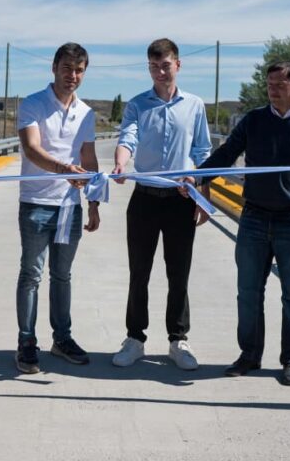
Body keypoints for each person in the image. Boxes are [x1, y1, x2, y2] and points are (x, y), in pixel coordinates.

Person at [198, 61, 290, 386]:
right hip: (254, 220)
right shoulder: (254, 121)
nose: (272, 90)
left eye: (279, 85)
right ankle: (249, 355)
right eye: (269, 85)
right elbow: (227, 153)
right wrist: (200, 174)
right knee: (248, 292)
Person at [111, 38, 212, 370]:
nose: (159, 72)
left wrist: (200, 189)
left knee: (178, 274)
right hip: (144, 200)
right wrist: (121, 163)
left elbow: (202, 152)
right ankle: (135, 339)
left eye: (165, 65)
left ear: (178, 65)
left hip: (180, 200)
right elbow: (128, 137)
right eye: (153, 66)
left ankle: (177, 340)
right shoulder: (138, 104)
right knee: (139, 272)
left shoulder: (195, 105)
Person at [14, 42, 100, 374]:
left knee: (62, 276)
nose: (73, 76)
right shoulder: (33, 104)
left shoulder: (87, 112)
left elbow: (89, 159)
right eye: (67, 68)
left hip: (69, 208)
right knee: (31, 275)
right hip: (36, 204)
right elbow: (32, 150)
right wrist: (65, 171)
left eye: (79, 70)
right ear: (54, 67)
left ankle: (61, 339)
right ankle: (26, 343)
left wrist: (92, 201)